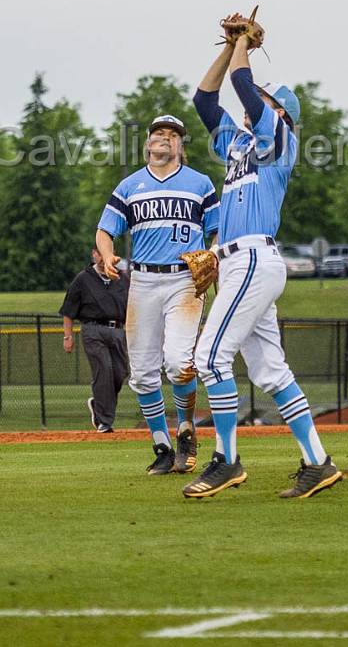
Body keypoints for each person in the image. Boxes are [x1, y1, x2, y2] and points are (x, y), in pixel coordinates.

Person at [184, 14, 341, 499]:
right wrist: (229, 44)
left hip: (253, 261)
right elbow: (204, 100)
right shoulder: (238, 144)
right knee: (271, 371)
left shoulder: (279, 140)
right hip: (236, 263)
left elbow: (241, 84)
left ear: (280, 111)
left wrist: (244, 48)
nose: (255, 105)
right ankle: (318, 462)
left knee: (210, 359)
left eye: (265, 101)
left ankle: (226, 461)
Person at [95, 114, 220, 475]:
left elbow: (218, 229)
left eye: (172, 134)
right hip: (144, 282)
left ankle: (185, 429)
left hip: (184, 279)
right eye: (158, 133)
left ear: (181, 145)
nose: (164, 138)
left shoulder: (199, 184)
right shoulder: (130, 186)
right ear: (148, 143)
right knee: (144, 374)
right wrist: (107, 255)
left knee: (179, 362)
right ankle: (162, 447)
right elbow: (105, 230)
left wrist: (213, 253)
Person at [59, 250, 131, 434]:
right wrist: (68, 337)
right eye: (99, 253)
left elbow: (132, 307)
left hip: (117, 330)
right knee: (104, 369)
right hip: (93, 329)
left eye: (106, 253)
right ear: (94, 255)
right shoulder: (84, 279)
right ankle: (105, 422)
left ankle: (98, 405)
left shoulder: (122, 279)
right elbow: (68, 310)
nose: (102, 257)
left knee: (120, 373)